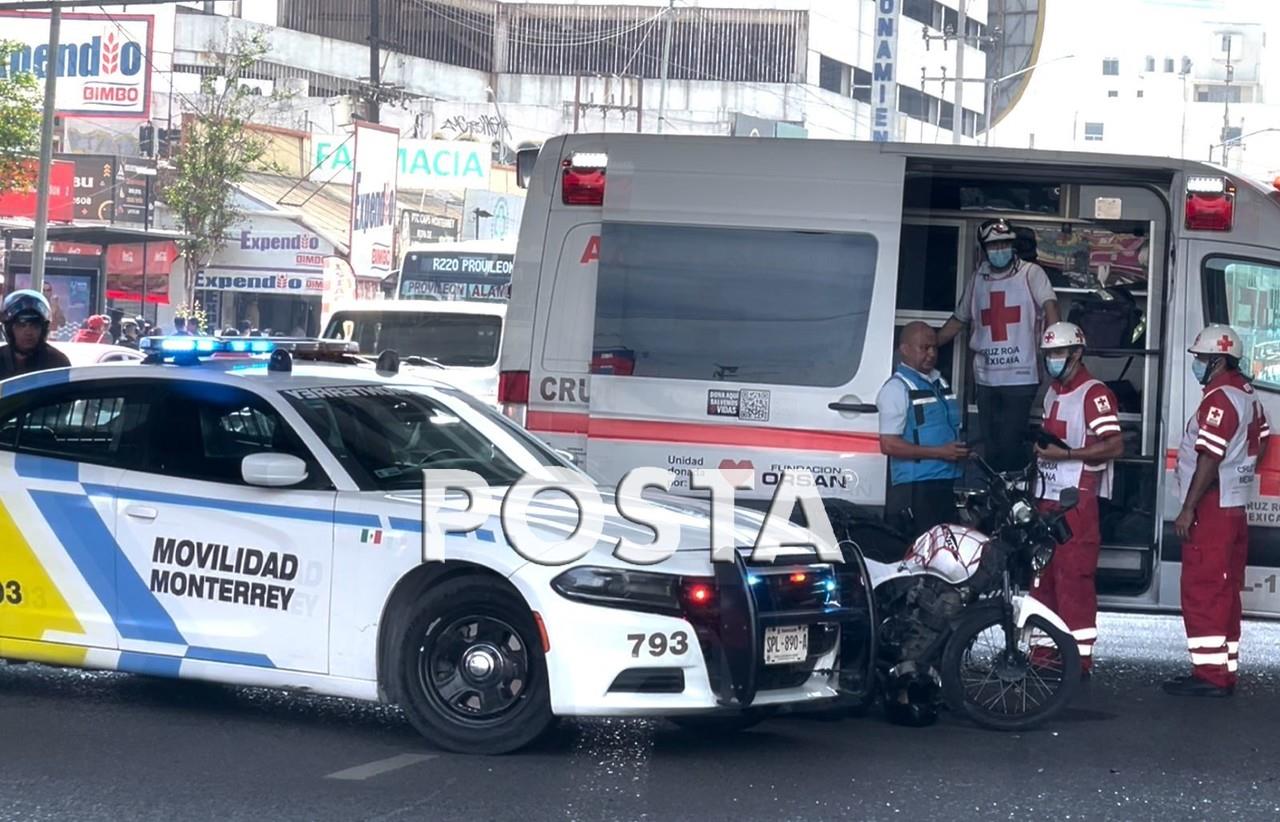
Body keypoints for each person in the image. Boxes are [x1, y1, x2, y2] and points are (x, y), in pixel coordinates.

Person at [1163, 325, 1270, 697]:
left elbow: (1210, 456)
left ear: (1219, 360)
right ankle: (1222, 668)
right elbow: (1265, 438)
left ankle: (1210, 675)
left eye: (1202, 360)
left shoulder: (1221, 399)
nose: (1197, 365)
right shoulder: (1247, 394)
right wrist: (1242, 473)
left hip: (1211, 507)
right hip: (1231, 505)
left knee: (1203, 589)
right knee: (1224, 590)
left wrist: (1188, 508)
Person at [1029, 322, 1123, 675]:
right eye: (1048, 354)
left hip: (1076, 501)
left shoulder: (1094, 394)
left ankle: (1077, 659)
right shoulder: (1054, 392)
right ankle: (1042, 654)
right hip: (1046, 497)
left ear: (1076, 353)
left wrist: (1065, 457)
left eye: (1057, 353)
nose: (1051, 360)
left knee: (1073, 581)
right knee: (1041, 579)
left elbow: (1114, 445)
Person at [938, 218, 1061, 473]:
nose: (1000, 249)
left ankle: (1015, 501)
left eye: (1005, 243)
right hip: (986, 380)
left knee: (1010, 443)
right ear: (984, 248)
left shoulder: (1031, 272)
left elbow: (1050, 306)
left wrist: (1056, 345)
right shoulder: (977, 278)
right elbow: (959, 320)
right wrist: (927, 344)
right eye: (994, 245)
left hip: (1021, 377)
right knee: (991, 446)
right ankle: (995, 503)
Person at [875, 321, 969, 537]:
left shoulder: (939, 382)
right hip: (916, 488)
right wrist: (941, 452)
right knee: (920, 552)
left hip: (944, 483)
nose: (931, 353)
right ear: (905, 350)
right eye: (924, 348)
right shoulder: (896, 389)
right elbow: (888, 444)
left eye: (934, 347)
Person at [0, 290, 71, 379]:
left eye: (35, 326)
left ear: (43, 329)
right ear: (8, 329)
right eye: (21, 325)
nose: (28, 332)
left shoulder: (57, 362)